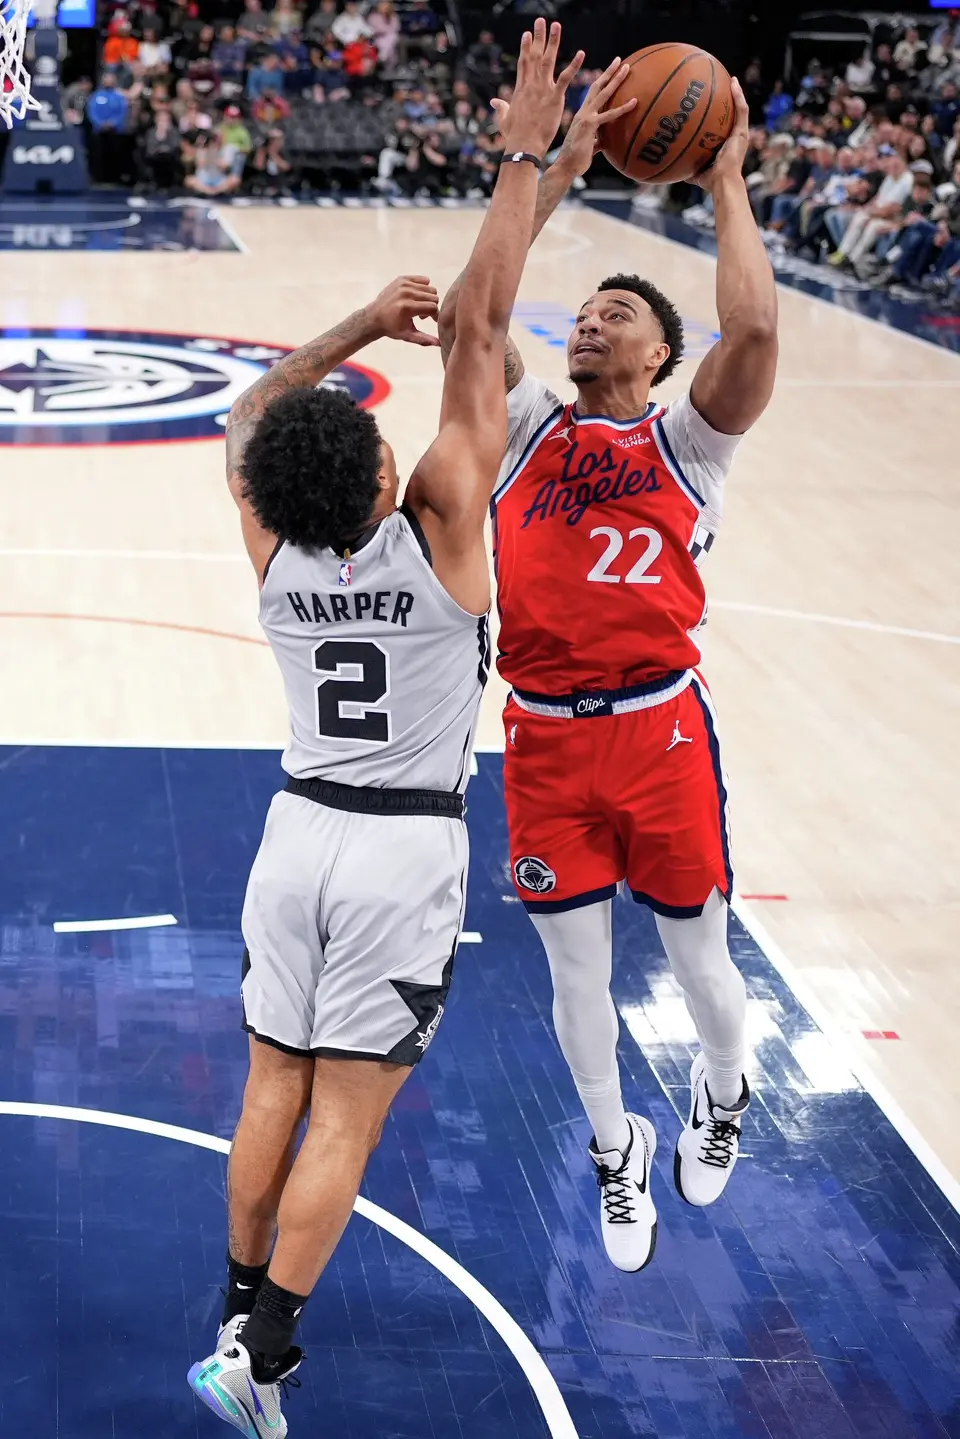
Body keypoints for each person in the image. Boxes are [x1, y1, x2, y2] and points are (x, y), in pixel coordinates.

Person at [186, 20, 584, 1436]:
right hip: (403, 851)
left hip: (295, 835)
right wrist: (525, 163)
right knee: (347, 1114)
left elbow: (249, 415)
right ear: (375, 468)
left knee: (270, 1086)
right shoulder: (440, 534)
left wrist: (355, 322)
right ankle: (263, 1358)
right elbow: (481, 333)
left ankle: (235, 1308)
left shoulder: (279, 556)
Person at [439, 69, 777, 1275]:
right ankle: (612, 1145)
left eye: (617, 311)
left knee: (700, 961)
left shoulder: (689, 441)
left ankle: (724, 1087)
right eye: (581, 309)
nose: (589, 319)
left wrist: (727, 176)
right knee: (573, 977)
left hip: (659, 731)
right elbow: (475, 322)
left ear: (660, 354)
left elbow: (758, 331)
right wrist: (548, 168)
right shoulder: (532, 427)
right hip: (540, 738)